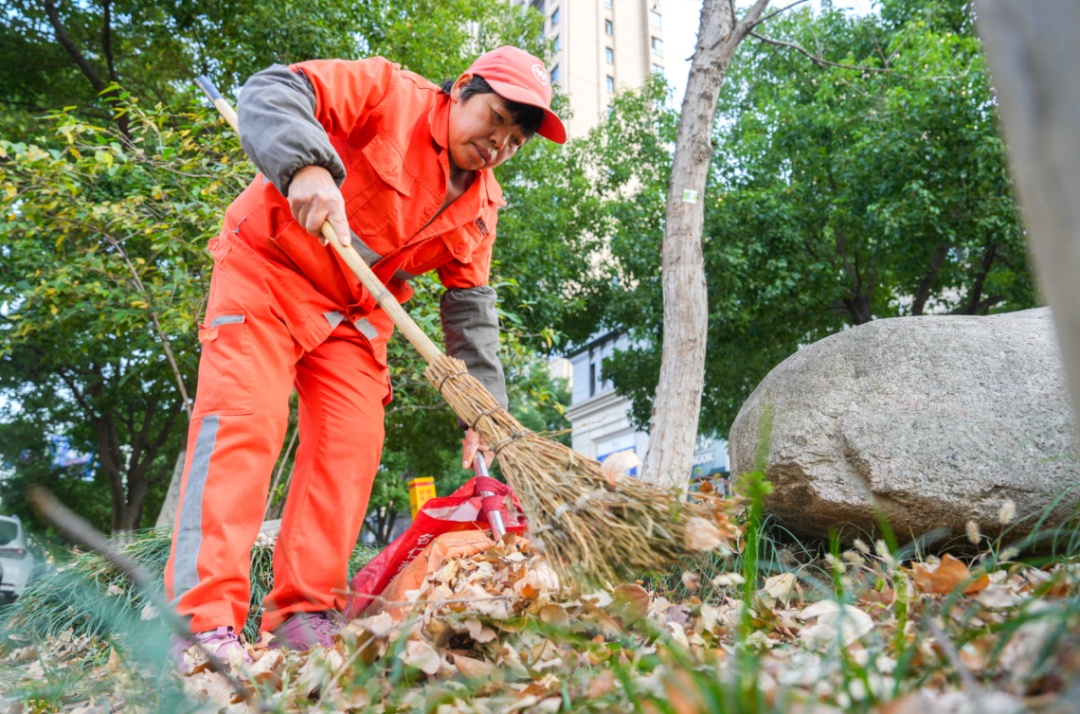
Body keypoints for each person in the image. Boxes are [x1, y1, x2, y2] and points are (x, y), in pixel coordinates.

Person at [165, 46, 566, 667]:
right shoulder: (386, 91)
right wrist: (306, 168)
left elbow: (470, 310)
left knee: (351, 445)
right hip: (267, 269)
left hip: (352, 313)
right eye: (496, 117)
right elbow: (270, 90)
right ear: (461, 89)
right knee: (245, 426)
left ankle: (304, 615)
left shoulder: (482, 208)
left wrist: (483, 413)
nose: (501, 142)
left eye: (518, 137)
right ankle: (202, 627)